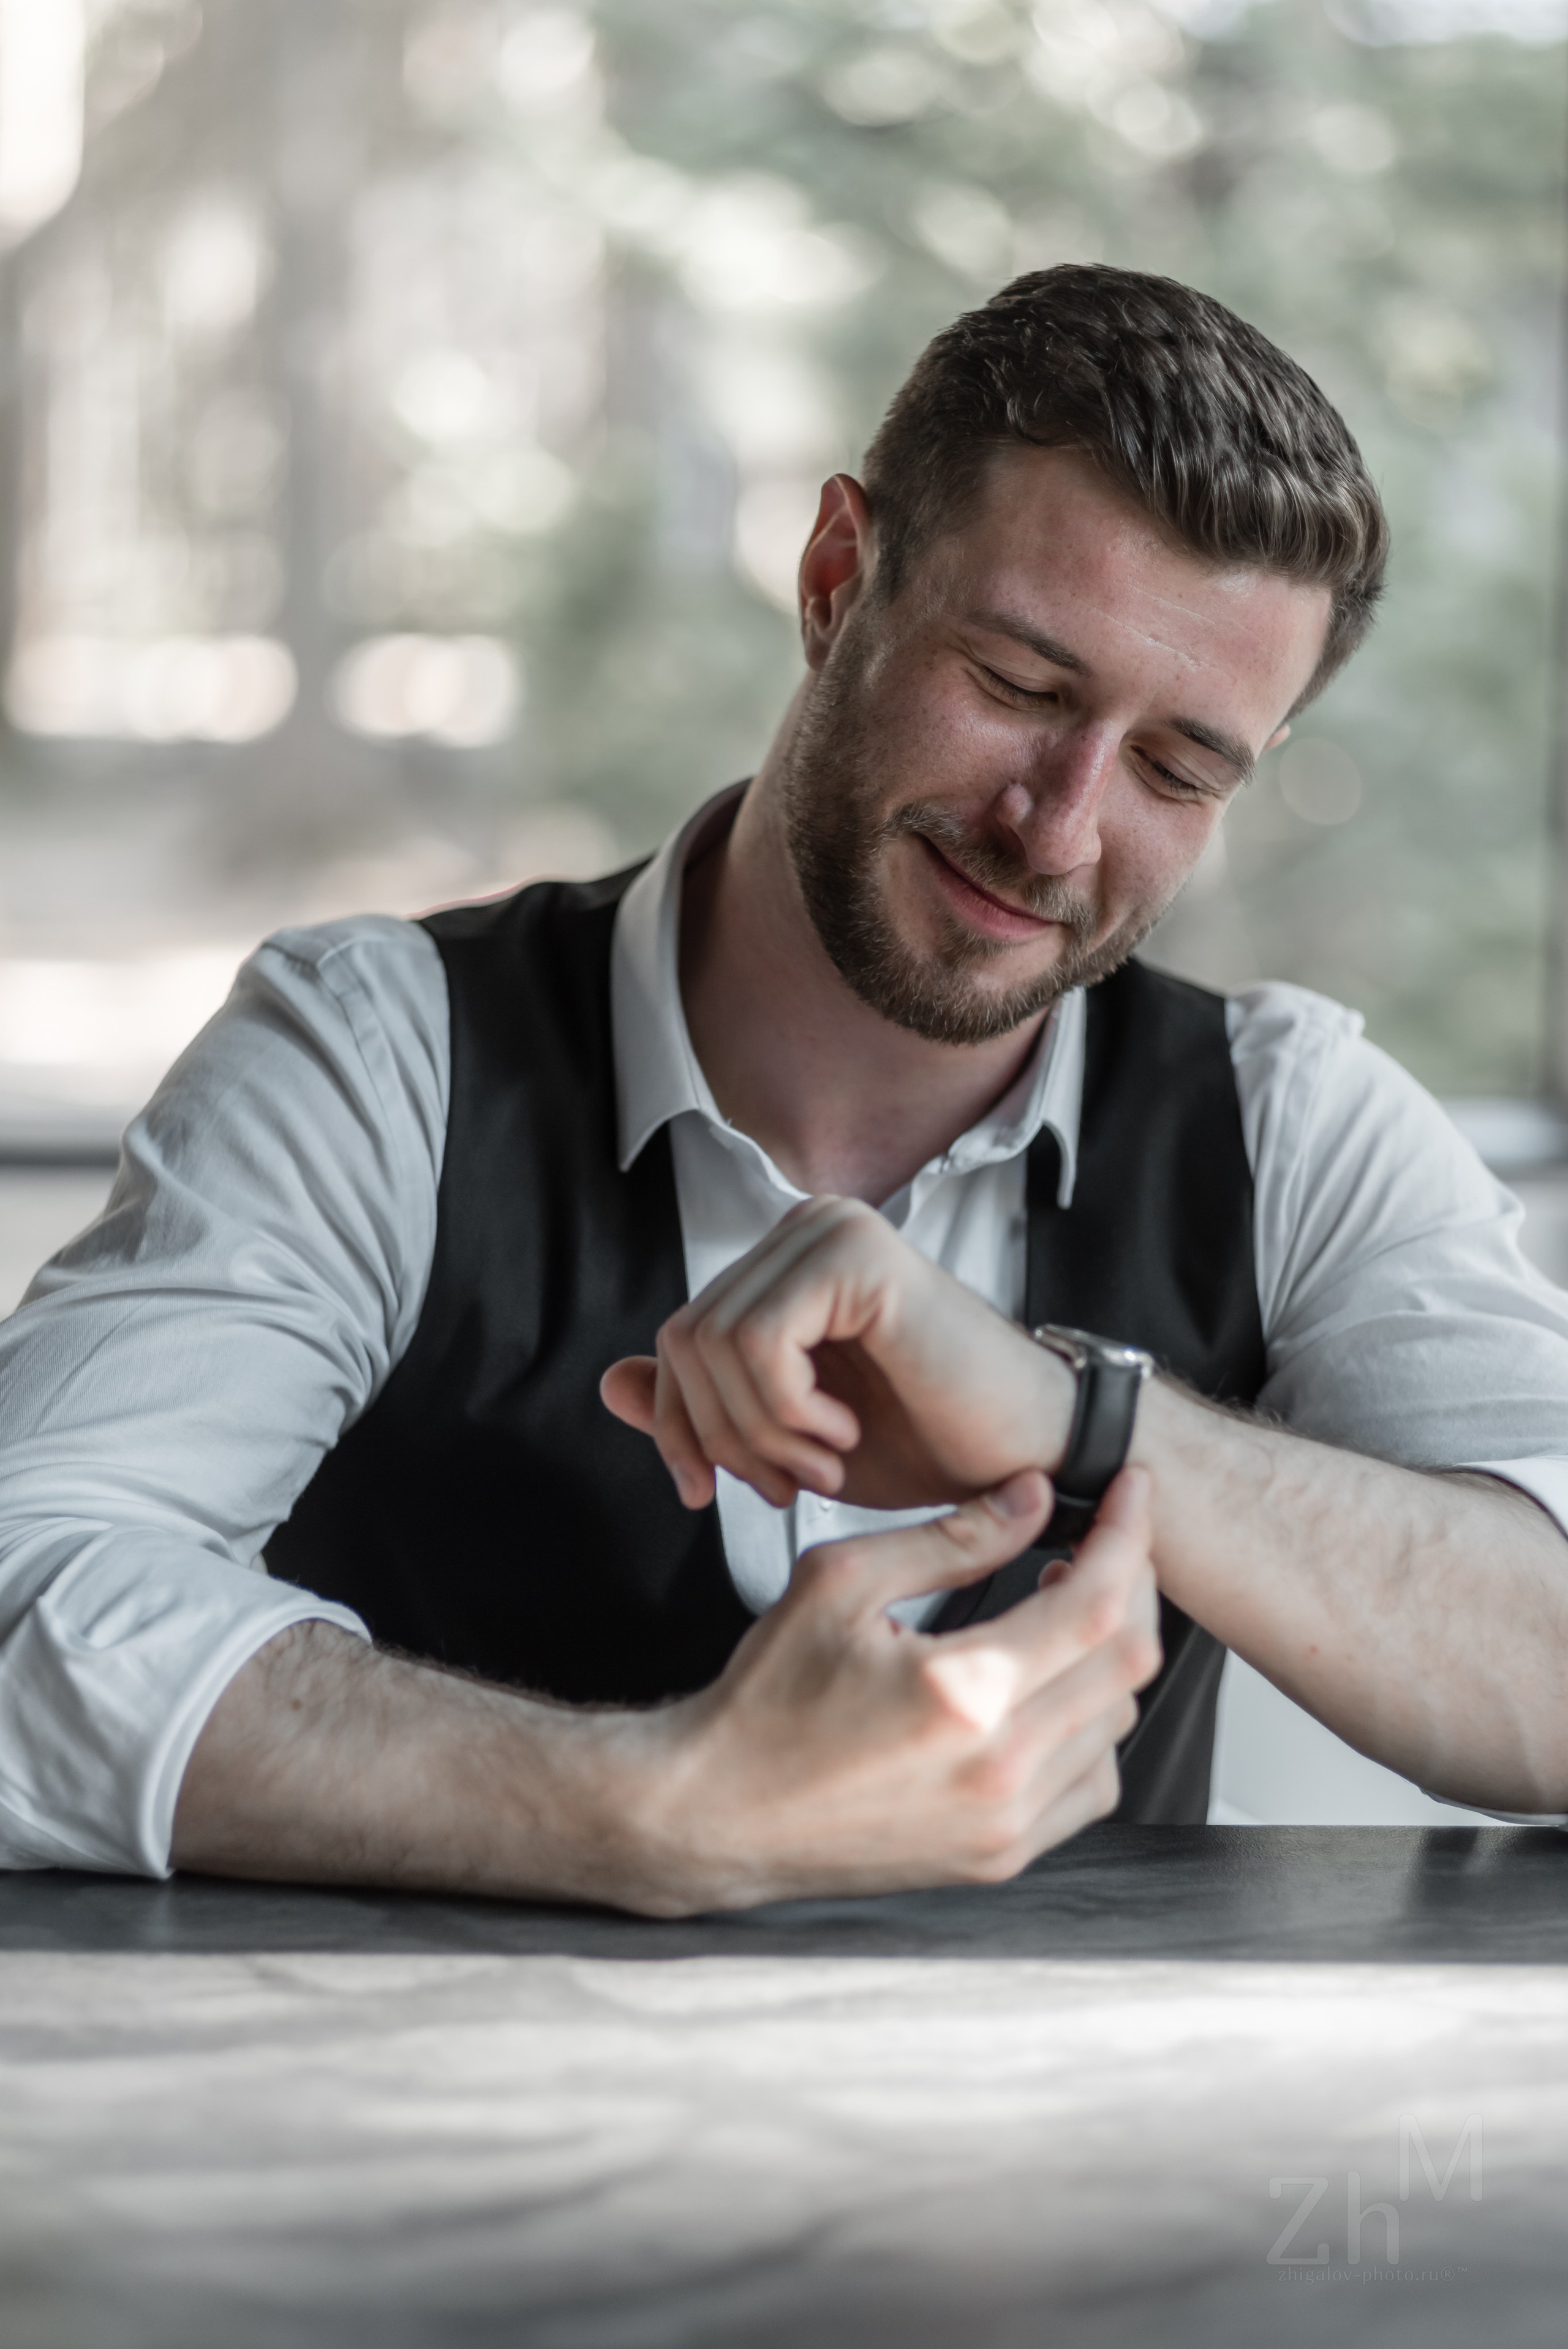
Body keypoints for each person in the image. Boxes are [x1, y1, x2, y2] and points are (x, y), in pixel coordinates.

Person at [2, 265, 1566, 1911]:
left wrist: (1074, 1411)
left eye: (1179, 767)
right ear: (836, 579)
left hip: (1083, 2154)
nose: (1062, 826)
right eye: (1022, 688)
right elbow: (25, 1589)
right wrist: (641, 1805)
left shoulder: (1293, 1122)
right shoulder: (378, 1053)